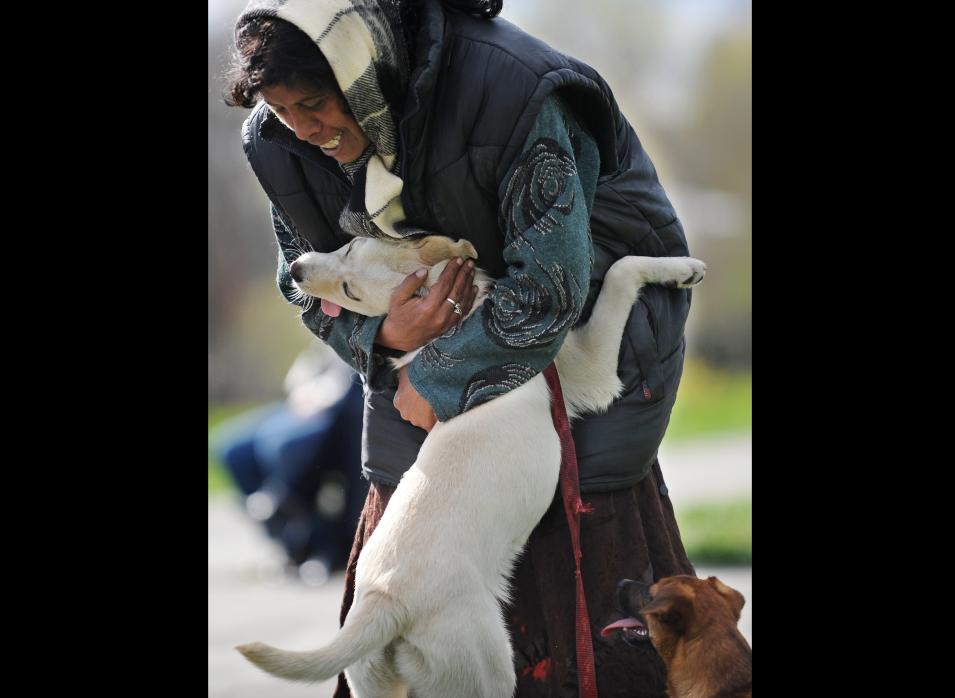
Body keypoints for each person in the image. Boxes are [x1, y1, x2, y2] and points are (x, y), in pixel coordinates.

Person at [225, 1, 696, 694]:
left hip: (585, 345)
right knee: (408, 581)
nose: (302, 128)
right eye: (282, 109)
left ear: (364, 71)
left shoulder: (515, 92)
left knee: (582, 620)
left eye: (315, 103)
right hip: (410, 367)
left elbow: (549, 289)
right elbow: (306, 285)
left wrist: (436, 378)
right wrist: (385, 338)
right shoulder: (279, 139)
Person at [210, 343, 366, 585]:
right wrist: (302, 389)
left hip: (335, 406)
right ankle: (288, 541)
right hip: (304, 400)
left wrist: (322, 396)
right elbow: (308, 363)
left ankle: (289, 509)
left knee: (284, 446)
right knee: (231, 448)